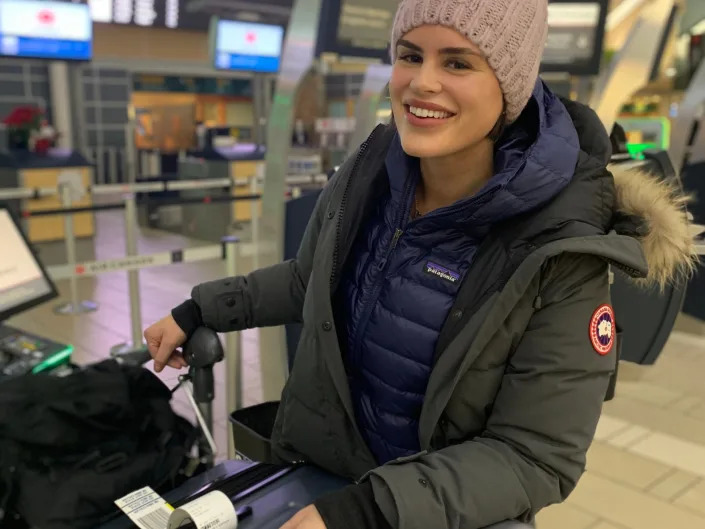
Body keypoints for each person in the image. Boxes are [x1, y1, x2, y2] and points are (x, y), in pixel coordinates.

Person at [144, 0, 696, 528]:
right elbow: (307, 281)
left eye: (457, 62)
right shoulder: (368, 175)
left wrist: (368, 512)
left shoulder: (560, 247)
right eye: (410, 55)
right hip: (314, 478)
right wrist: (200, 308)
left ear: (510, 85)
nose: (423, 82)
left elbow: (535, 456)